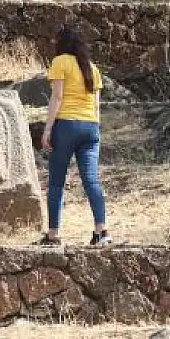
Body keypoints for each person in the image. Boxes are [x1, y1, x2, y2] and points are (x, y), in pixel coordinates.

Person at [35, 25, 111, 247]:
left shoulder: (60, 62)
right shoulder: (92, 68)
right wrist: (95, 130)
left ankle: (53, 235)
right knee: (91, 179)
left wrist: (48, 129)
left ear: (62, 43)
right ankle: (101, 231)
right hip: (90, 128)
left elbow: (57, 98)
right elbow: (97, 105)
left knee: (57, 181)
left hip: (67, 126)